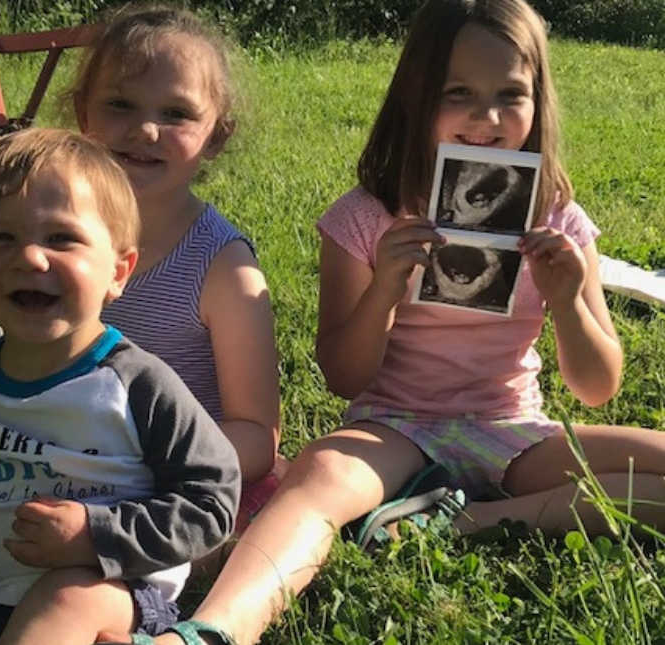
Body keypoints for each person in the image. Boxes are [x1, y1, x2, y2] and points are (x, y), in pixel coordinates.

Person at [146, 1, 665, 643]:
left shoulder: (558, 219)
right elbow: (343, 375)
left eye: (512, 95)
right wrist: (386, 288)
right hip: (392, 426)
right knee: (318, 480)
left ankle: (456, 522)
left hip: (512, 427)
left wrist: (569, 301)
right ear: (418, 98)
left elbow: (597, 386)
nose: (488, 118)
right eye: (460, 94)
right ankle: (214, 630)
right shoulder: (366, 218)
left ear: (538, 103)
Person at [0, 3, 281, 557]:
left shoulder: (222, 267)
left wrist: (120, 457)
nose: (145, 129)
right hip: (23, 432)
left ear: (216, 136)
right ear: (82, 112)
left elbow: (258, 435)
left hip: (142, 476)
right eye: (120, 103)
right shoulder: (42, 223)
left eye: (176, 113)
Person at [0, 128, 241, 645]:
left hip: (106, 583)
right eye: (1, 238)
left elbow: (212, 501)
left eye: (61, 238)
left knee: (61, 603)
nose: (31, 258)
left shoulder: (134, 384)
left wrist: (95, 536)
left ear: (118, 270)